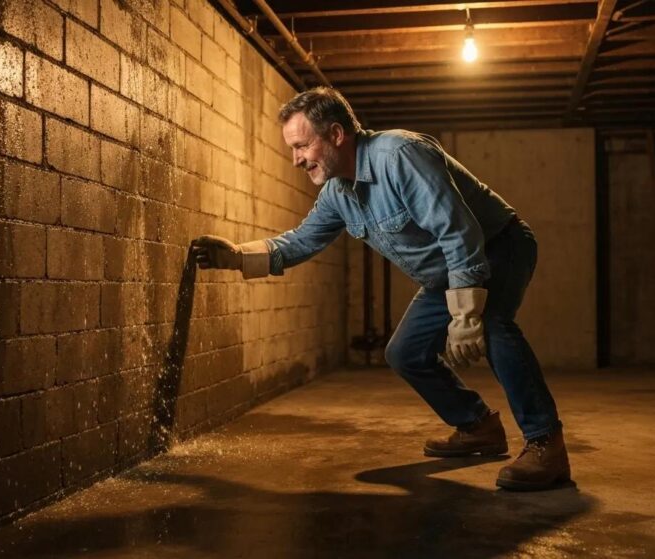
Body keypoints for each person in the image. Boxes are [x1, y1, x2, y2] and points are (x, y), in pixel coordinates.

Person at [192, 87, 569, 491]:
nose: (296, 160)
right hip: (445, 271)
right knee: (404, 353)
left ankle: (546, 442)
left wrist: (466, 314)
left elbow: (457, 229)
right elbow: (301, 241)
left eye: (302, 146)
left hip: (497, 247)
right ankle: (477, 426)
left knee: (493, 326)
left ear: (336, 134)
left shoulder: (400, 155)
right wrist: (236, 256)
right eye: (293, 149)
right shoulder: (338, 193)